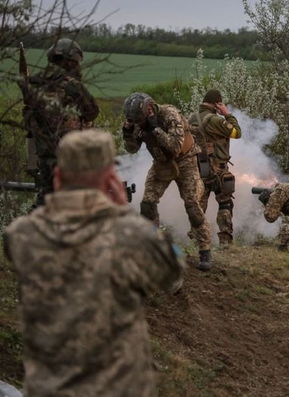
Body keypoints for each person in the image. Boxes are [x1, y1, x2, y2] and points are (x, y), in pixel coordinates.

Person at [3, 129, 185, 397]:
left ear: (58, 176)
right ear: (110, 178)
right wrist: (125, 212)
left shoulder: (20, 235)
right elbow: (174, 269)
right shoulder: (133, 235)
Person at [122, 92, 213, 270]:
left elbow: (175, 147)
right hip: (161, 163)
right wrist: (127, 134)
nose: (138, 124)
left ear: (149, 109)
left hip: (185, 160)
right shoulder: (136, 120)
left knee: (192, 205)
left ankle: (205, 251)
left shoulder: (170, 115)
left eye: (140, 120)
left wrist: (155, 129)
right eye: (135, 121)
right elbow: (132, 149)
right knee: (147, 204)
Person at [20, 38, 99, 206]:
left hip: (45, 159)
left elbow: (30, 129)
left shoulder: (35, 85)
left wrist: (32, 163)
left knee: (46, 202)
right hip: (70, 159)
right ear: (71, 61)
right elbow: (92, 112)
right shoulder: (71, 85)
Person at [188, 89, 242, 246]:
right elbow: (236, 133)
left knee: (199, 204)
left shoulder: (191, 118)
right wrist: (227, 114)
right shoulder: (216, 120)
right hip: (218, 169)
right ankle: (225, 241)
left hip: (198, 168)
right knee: (225, 203)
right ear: (217, 103)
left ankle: (197, 241)